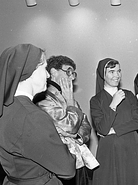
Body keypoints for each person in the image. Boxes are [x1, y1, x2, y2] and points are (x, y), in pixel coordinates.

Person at [0, 44, 76, 185]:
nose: (47, 75)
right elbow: (68, 169)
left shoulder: (5, 109)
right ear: (30, 72)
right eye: (44, 68)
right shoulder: (33, 117)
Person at [36, 55, 98, 185]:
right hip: (59, 165)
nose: (71, 77)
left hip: (79, 163)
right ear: (53, 72)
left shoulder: (68, 98)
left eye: (73, 73)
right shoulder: (43, 99)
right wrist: (70, 104)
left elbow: (86, 128)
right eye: (68, 71)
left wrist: (74, 134)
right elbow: (70, 126)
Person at [90, 58, 138, 185]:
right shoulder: (96, 100)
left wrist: (115, 130)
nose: (117, 75)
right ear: (102, 75)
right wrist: (113, 105)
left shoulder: (129, 95)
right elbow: (103, 129)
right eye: (111, 71)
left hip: (131, 148)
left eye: (118, 71)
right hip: (109, 151)